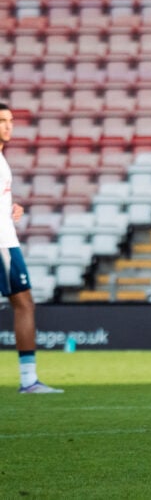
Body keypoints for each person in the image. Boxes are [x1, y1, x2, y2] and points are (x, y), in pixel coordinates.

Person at [0, 103, 63, 394]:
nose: (8, 126)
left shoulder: (2, 160)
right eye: (2, 121)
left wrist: (11, 208)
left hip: (7, 240)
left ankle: (29, 379)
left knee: (24, 303)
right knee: (23, 304)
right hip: (2, 244)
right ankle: (28, 380)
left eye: (10, 120)